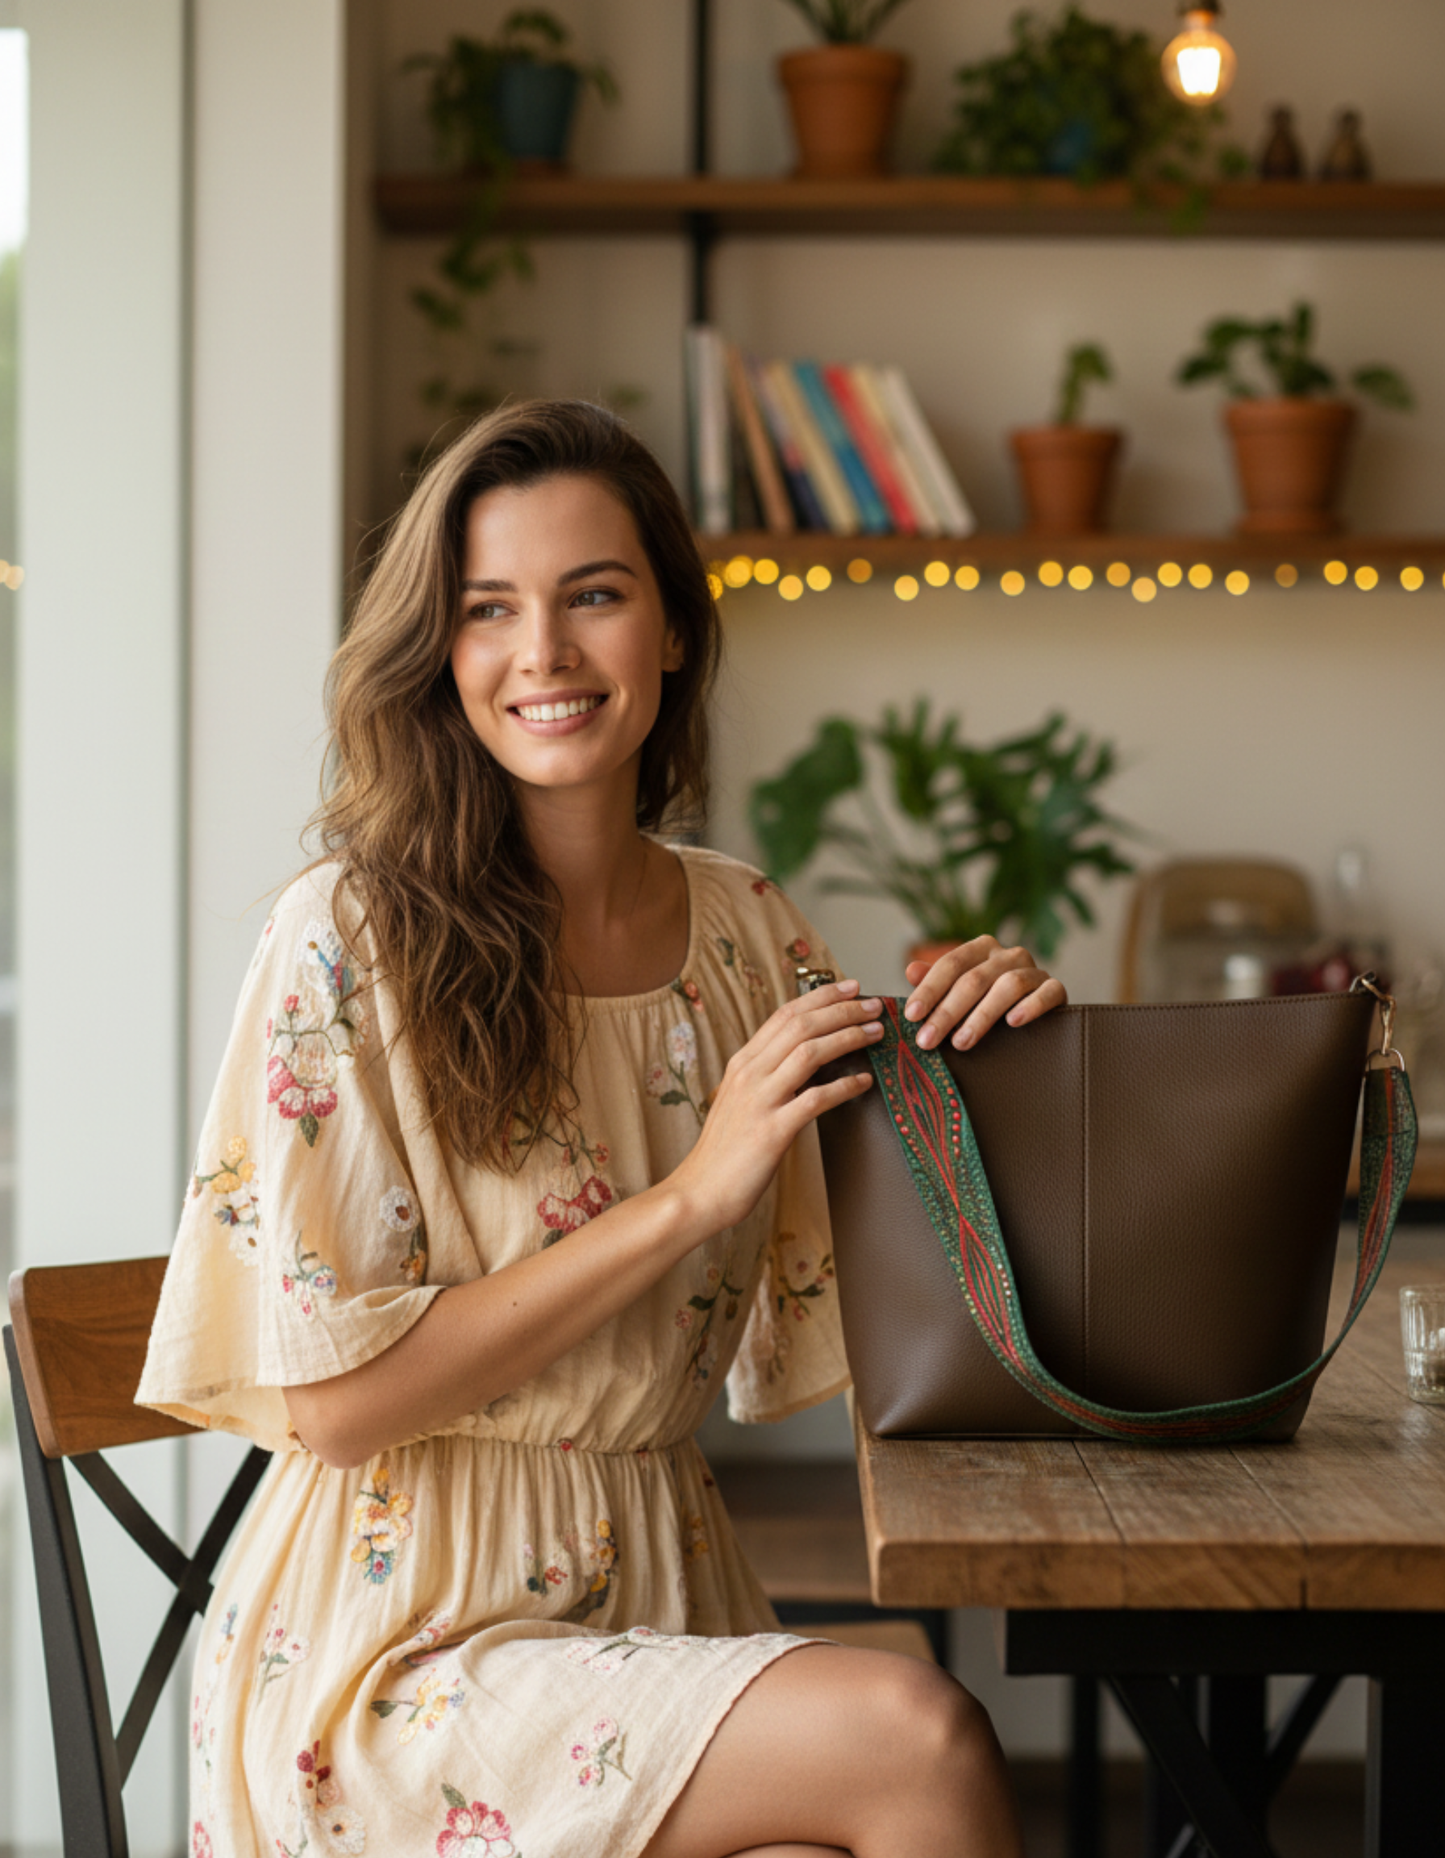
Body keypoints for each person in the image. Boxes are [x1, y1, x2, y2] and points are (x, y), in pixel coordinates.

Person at [139, 400, 1067, 1858]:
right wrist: (693, 1195)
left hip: (654, 1597)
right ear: (440, 657)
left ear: (675, 630)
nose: (546, 654)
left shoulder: (744, 927)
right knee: (918, 1736)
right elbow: (330, 1402)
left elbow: (910, 1306)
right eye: (488, 610)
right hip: (396, 1660)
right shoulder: (348, 940)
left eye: (595, 595)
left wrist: (995, 1051)